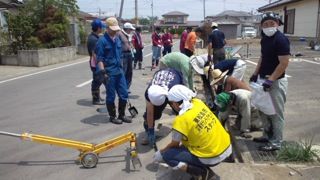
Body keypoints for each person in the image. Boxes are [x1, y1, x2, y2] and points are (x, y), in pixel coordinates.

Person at [153, 85, 232, 180]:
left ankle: (202, 172)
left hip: (213, 156)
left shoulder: (181, 120)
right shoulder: (198, 102)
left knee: (168, 156)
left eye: (171, 103)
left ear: (175, 104)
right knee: (185, 146)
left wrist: (161, 152)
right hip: (226, 146)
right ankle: (199, 166)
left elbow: (174, 144)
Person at [249, 12, 289, 151]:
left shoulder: (281, 39)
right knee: (264, 110)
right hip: (262, 80)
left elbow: (283, 63)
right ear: (261, 26)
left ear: (277, 23)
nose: (268, 26)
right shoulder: (264, 38)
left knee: (276, 113)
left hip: (276, 82)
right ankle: (266, 135)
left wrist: (271, 80)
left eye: (271, 23)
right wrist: (255, 73)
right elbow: (262, 57)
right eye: (265, 24)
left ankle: (276, 141)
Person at [95, 17, 132, 124]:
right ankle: (112, 116)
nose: (115, 31)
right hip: (109, 73)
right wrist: (103, 72)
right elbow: (99, 59)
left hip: (119, 71)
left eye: (116, 29)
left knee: (124, 93)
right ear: (107, 28)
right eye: (113, 29)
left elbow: (120, 54)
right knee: (111, 95)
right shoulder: (102, 41)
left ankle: (122, 115)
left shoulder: (117, 39)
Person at [142, 68, 184, 146]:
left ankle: (184, 131)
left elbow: (178, 107)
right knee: (155, 114)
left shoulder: (174, 90)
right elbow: (150, 112)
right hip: (160, 74)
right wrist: (150, 130)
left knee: (181, 110)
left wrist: (180, 113)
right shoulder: (149, 93)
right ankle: (148, 132)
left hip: (175, 74)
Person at [87, 18, 106, 105]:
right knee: (97, 80)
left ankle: (97, 96)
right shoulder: (93, 39)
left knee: (99, 80)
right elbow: (94, 54)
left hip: (96, 62)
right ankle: (95, 99)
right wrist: (99, 64)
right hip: (95, 63)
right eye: (101, 27)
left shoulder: (95, 37)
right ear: (98, 28)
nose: (102, 29)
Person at [118, 22, 135, 92]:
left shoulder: (128, 35)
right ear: (127, 29)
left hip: (129, 54)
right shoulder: (119, 34)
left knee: (129, 71)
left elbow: (129, 43)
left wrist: (133, 48)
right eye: (130, 29)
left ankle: (127, 87)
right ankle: (122, 87)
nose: (131, 30)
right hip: (123, 54)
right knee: (124, 71)